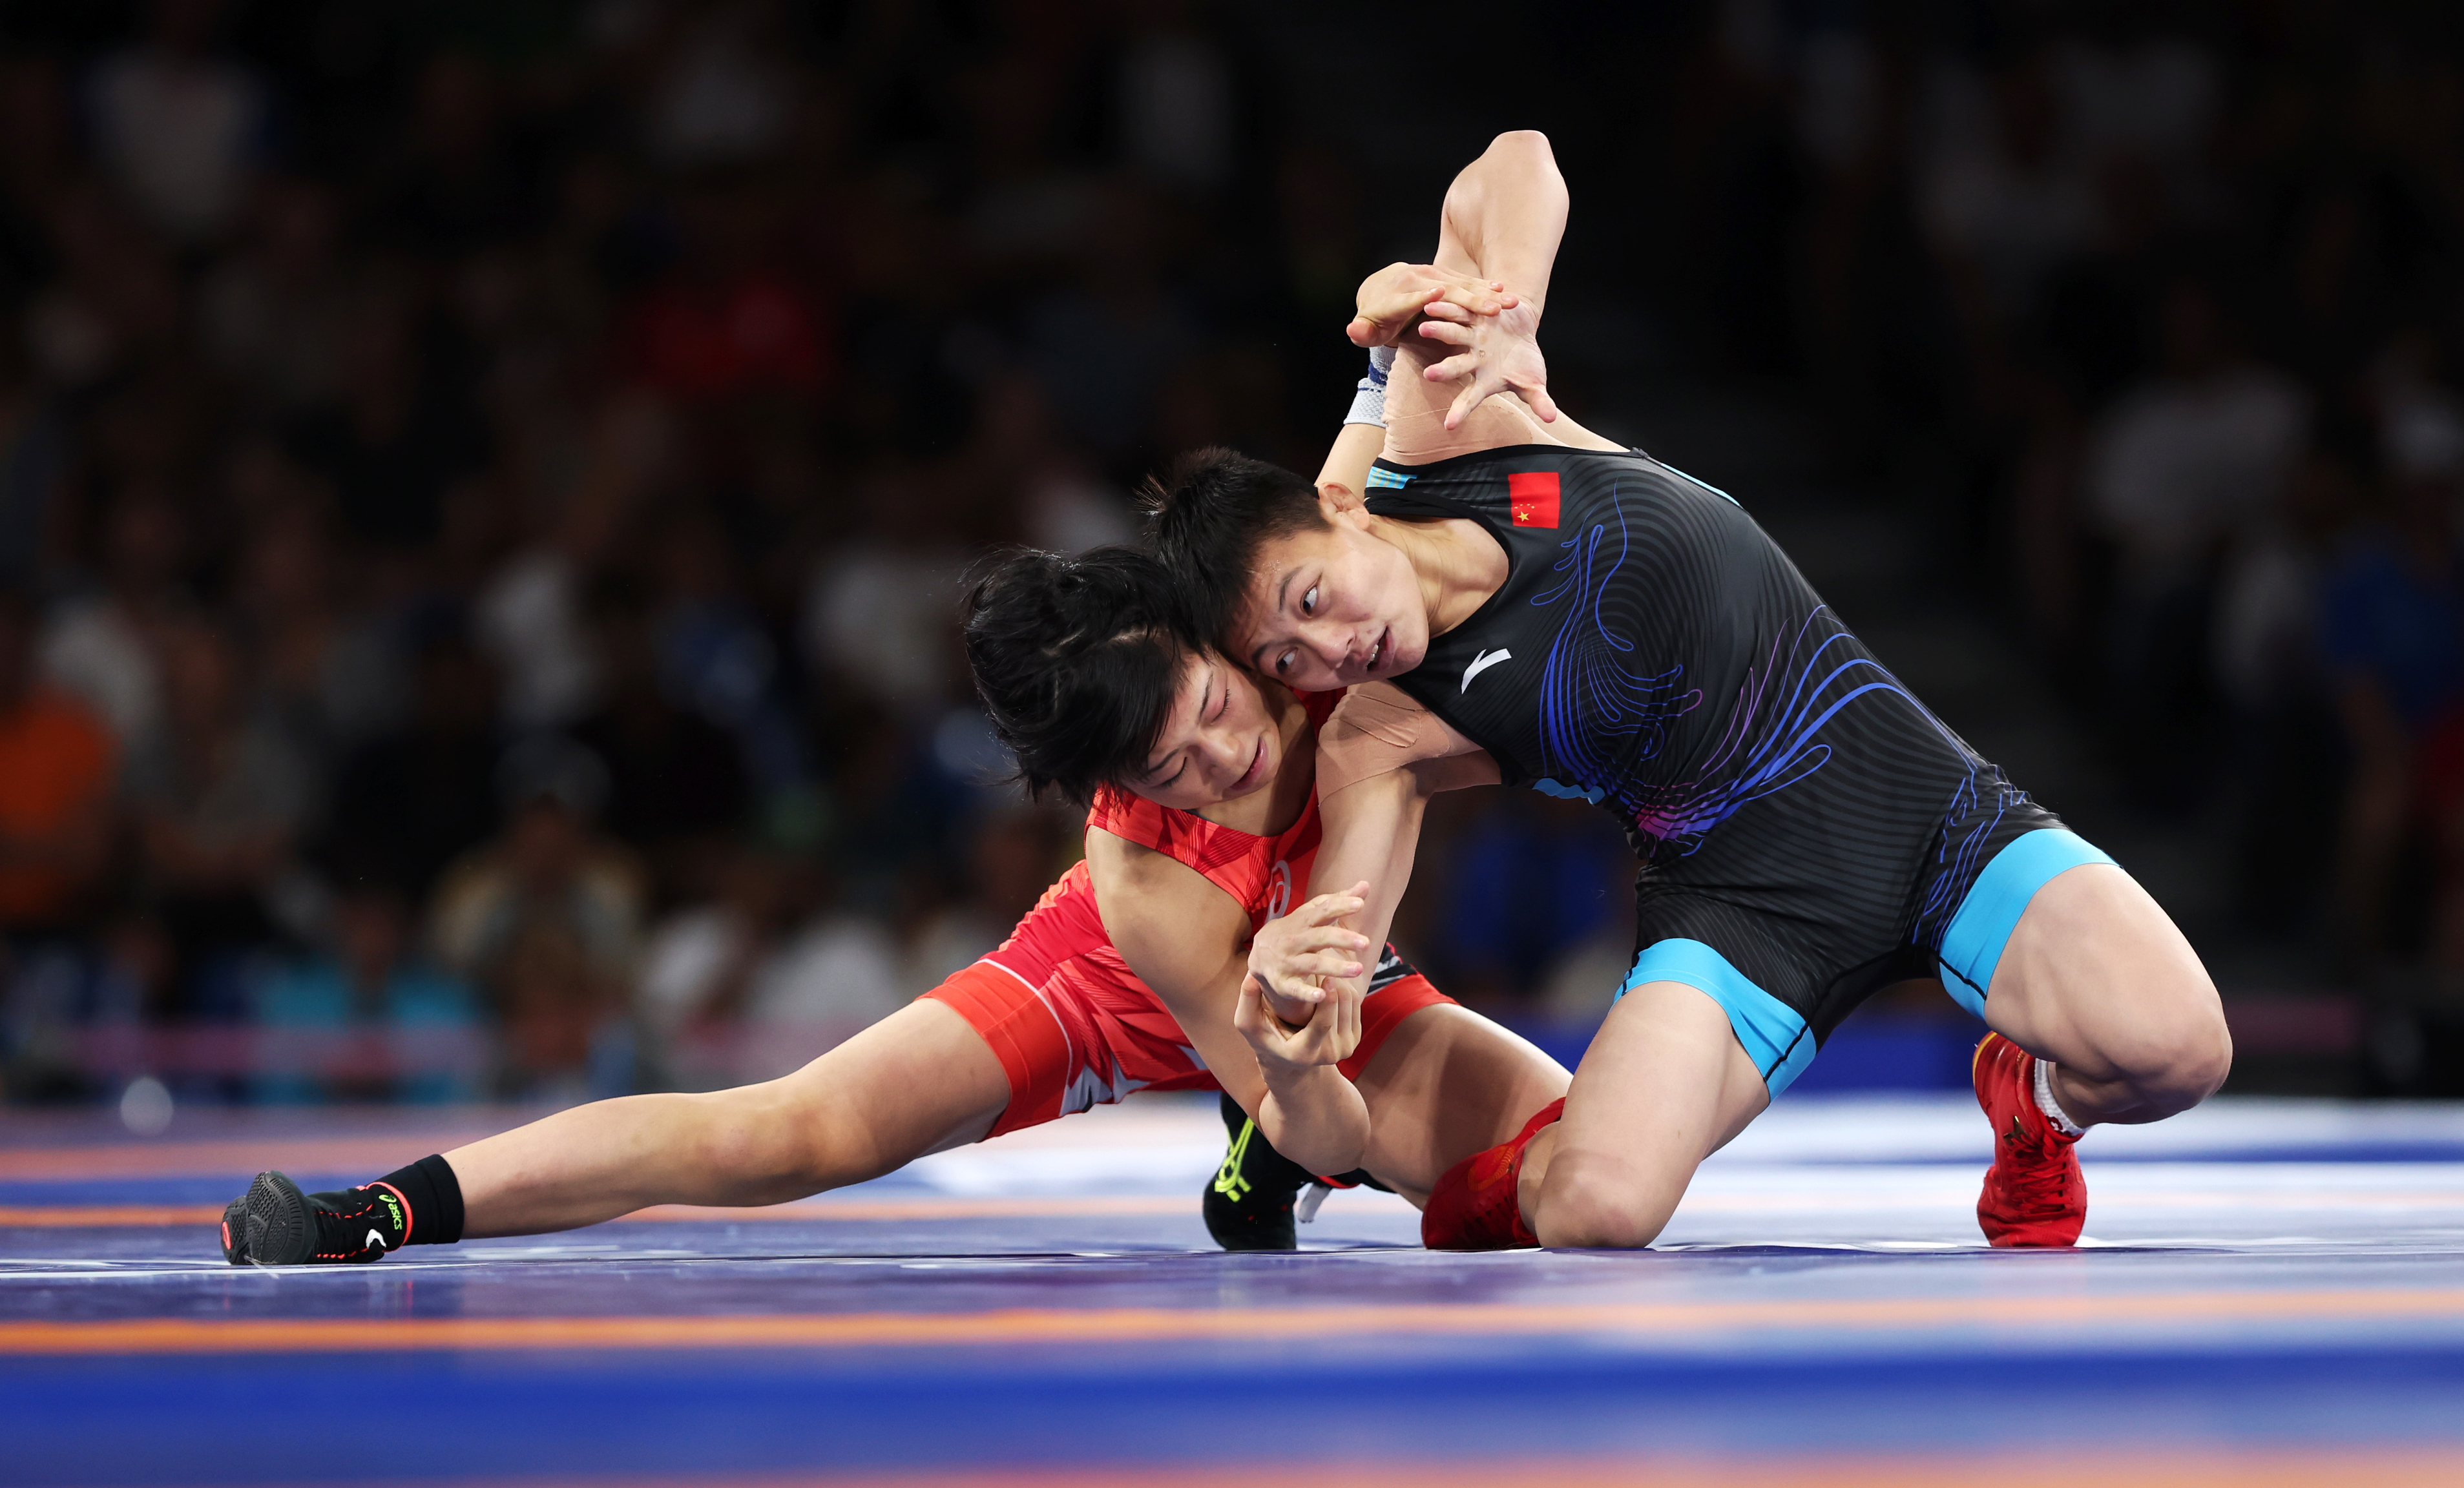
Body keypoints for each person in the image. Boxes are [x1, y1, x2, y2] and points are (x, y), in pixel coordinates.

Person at [985, 130, 2233, 1252]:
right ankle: (1470, 1202)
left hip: (1925, 815)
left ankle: (2035, 1100)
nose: (1335, 653)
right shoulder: (1378, 738)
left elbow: (1509, 163)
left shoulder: (1457, 421)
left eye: (1314, 603)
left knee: (2179, 1050)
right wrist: (1292, 1032)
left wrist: (1502, 309)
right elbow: (1346, 959)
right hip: (1743, 914)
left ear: (1337, 504)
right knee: (1597, 1211)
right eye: (1289, 664)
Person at [217, 341, 1569, 1267]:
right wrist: (1275, 1057)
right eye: (1166, 768)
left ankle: (1252, 1172)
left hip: (1308, 964)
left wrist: (1402, 330)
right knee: (787, 1134)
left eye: (1217, 710)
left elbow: (1384, 404)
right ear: (1113, 789)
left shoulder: (1291, 601)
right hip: (1137, 983)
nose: (1219, 758)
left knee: (1563, 1174)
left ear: (1204, 629)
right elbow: (1312, 1113)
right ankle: (387, 1208)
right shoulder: (1143, 882)